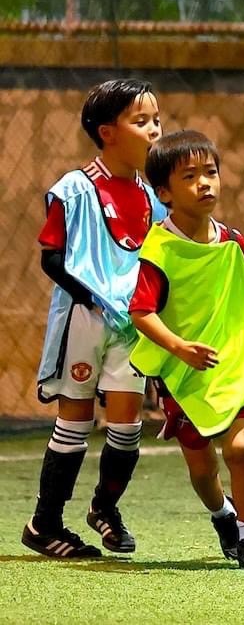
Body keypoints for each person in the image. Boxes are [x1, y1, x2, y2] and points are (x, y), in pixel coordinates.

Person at [129, 130, 244, 572]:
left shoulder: (231, 240)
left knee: (240, 450)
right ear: (165, 192)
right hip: (184, 369)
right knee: (203, 470)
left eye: (211, 172)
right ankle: (223, 516)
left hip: (226, 362)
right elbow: (141, 312)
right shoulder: (160, 249)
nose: (205, 183)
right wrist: (178, 347)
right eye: (190, 176)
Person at [23, 79, 166, 558]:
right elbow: (51, 258)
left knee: (127, 426)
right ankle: (44, 524)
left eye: (156, 120)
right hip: (84, 319)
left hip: (133, 323)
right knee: (76, 422)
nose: (154, 130)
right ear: (108, 132)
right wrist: (93, 297)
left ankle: (105, 507)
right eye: (141, 121)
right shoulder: (74, 189)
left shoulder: (153, 195)